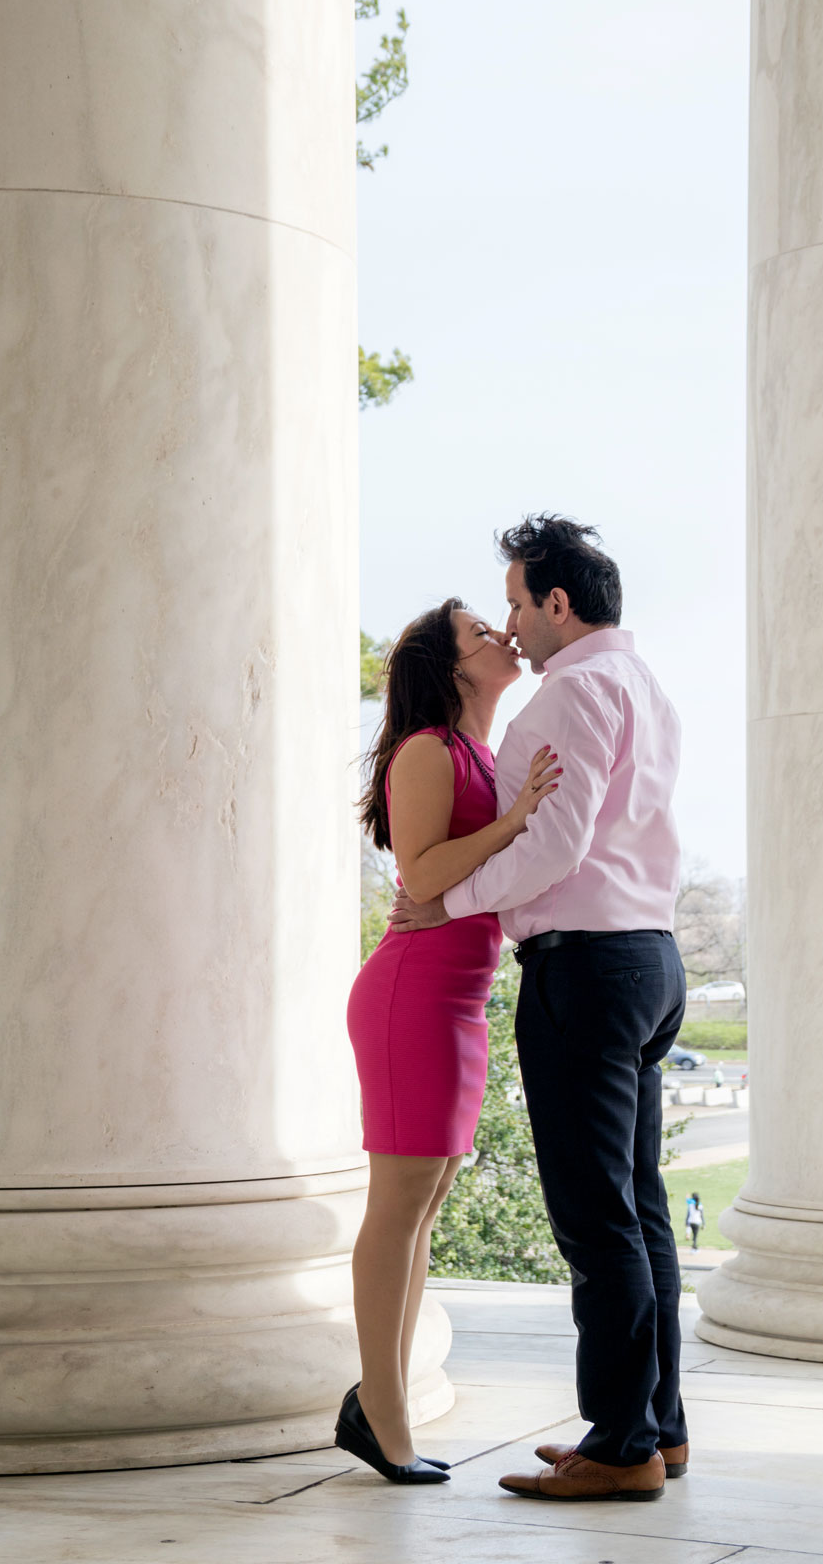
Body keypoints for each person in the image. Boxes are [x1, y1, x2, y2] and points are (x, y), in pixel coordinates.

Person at [391, 515, 690, 1503]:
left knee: (596, 1220)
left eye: (517, 602)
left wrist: (445, 903)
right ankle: (656, 1429)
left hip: (588, 969)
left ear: (557, 602)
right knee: (639, 1210)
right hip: (648, 960)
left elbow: (555, 847)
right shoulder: (642, 684)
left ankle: (620, 1445)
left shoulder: (569, 693)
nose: (512, 623)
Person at [336, 597, 561, 1485]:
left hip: (458, 1000)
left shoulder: (478, 754)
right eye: (479, 630)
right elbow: (422, 874)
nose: (501, 634)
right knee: (397, 1207)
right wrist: (515, 819)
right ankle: (381, 1412)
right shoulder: (427, 749)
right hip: (412, 997)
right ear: (451, 664)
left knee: (424, 1206)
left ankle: (380, 1400)